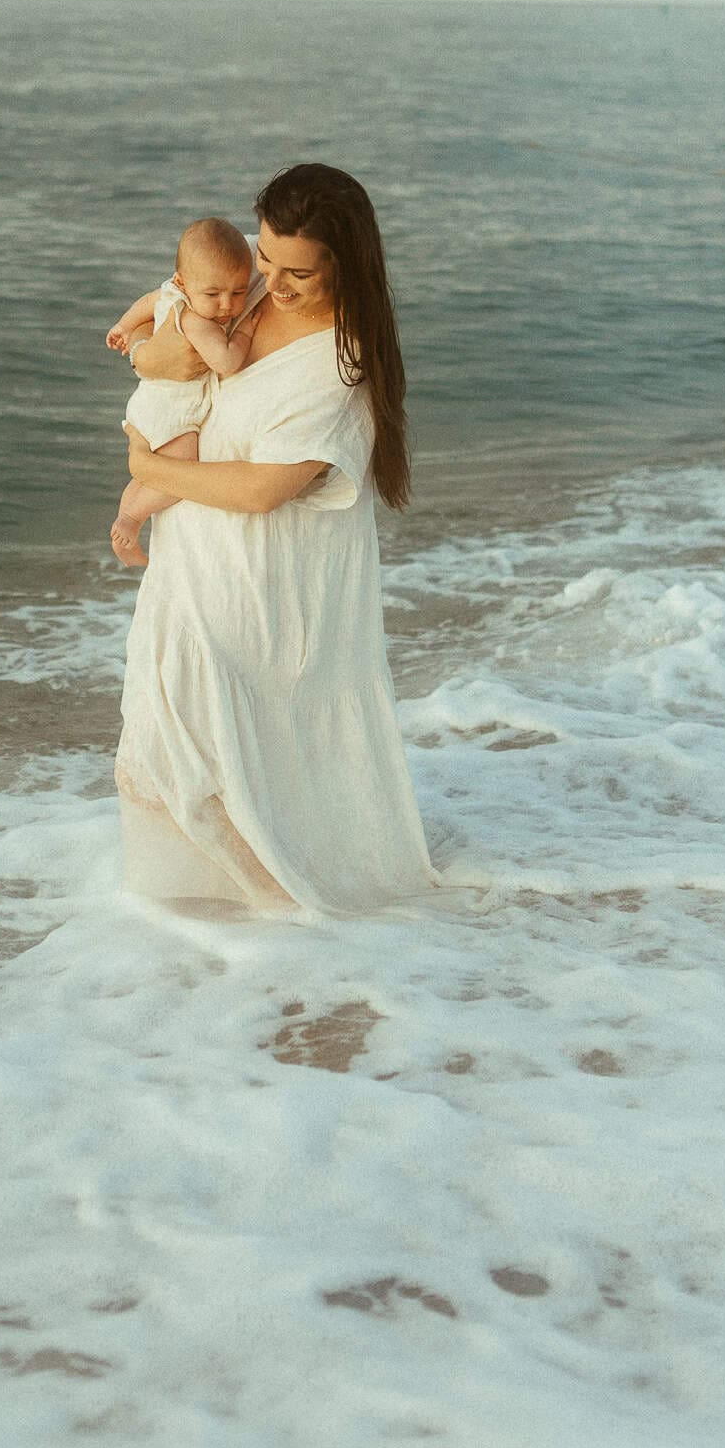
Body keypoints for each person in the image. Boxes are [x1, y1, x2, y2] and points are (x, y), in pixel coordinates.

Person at [113, 163, 443, 915]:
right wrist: (145, 352)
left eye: (299, 272)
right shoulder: (245, 288)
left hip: (261, 581)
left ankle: (284, 917)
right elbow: (160, 351)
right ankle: (191, 927)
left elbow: (265, 489)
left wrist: (142, 465)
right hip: (192, 562)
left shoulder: (343, 360)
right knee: (154, 758)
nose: (274, 282)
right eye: (266, 258)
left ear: (345, 264)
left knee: (205, 760)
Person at [105, 217, 265, 567]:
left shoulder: (171, 292)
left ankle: (125, 513)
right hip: (172, 411)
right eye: (213, 294)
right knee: (180, 471)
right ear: (183, 282)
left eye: (239, 292)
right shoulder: (198, 322)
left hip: (151, 400)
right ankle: (132, 519)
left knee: (153, 469)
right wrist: (245, 333)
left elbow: (145, 303)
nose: (227, 305)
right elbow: (226, 362)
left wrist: (123, 326)